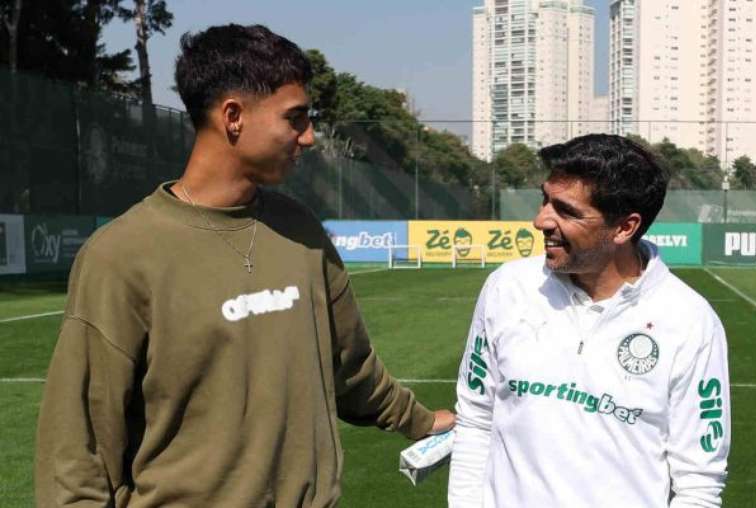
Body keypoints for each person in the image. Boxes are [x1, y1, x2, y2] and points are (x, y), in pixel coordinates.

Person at [35, 23, 454, 507]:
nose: (310, 137)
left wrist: (424, 422)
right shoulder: (121, 255)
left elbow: (352, 369)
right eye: (295, 118)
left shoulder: (301, 230)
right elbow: (78, 449)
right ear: (233, 116)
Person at [448, 134, 730, 507]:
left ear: (625, 227)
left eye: (566, 211)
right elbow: (476, 420)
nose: (540, 220)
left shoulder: (690, 322)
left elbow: (698, 482)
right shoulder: (507, 288)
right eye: (544, 199)